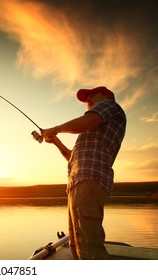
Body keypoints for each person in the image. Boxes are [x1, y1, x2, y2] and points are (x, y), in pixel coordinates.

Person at [41, 86, 126, 260]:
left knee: (89, 247)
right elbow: (72, 158)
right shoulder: (94, 128)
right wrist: (55, 140)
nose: (88, 100)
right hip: (79, 183)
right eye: (86, 98)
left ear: (106, 96)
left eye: (92, 95)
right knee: (76, 245)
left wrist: (55, 129)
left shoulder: (109, 105)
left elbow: (84, 123)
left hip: (89, 180)